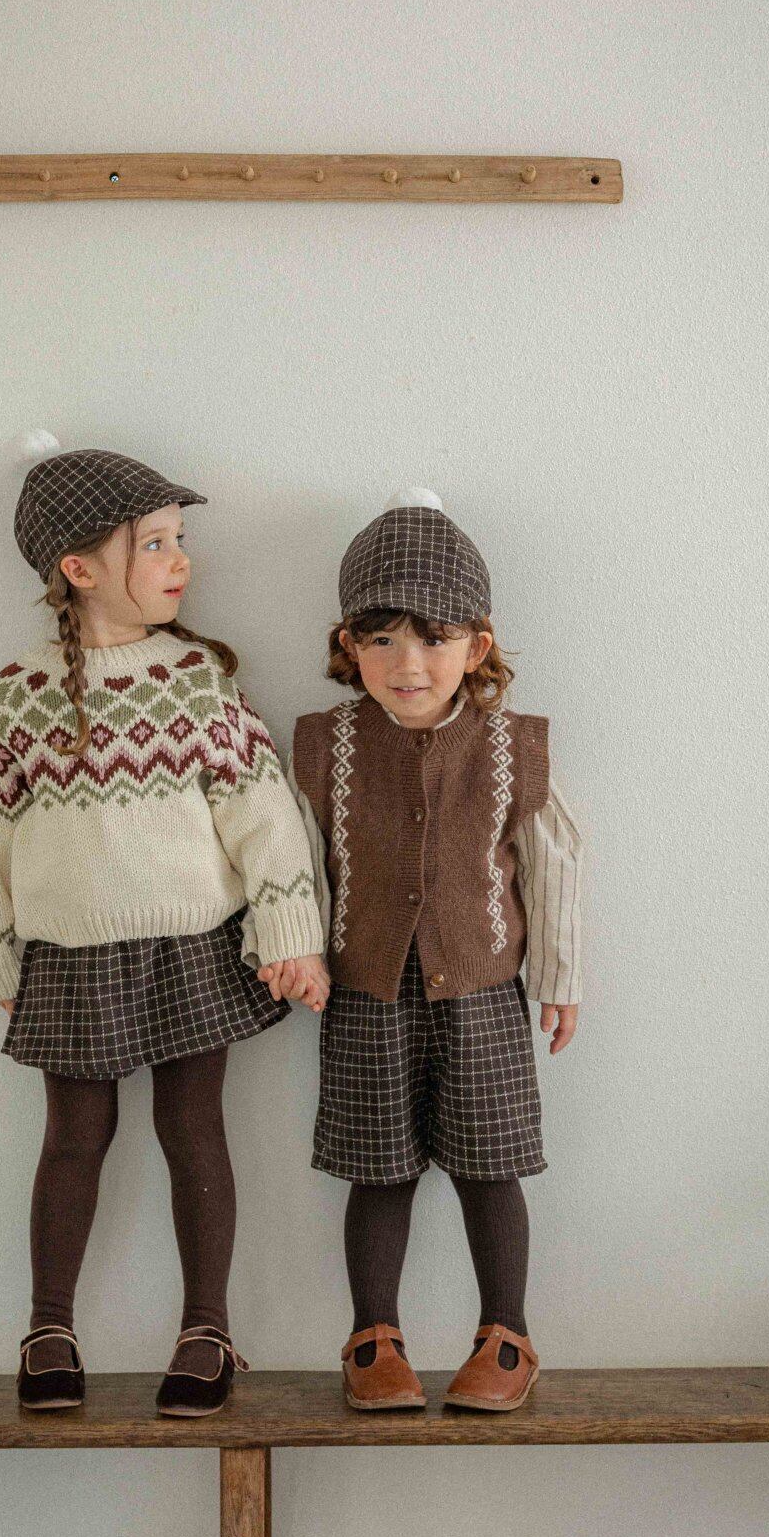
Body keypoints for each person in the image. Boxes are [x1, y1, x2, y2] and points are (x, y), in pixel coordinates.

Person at [0, 436, 325, 1416]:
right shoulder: (21, 692)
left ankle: (207, 1330)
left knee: (193, 1130)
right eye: (154, 543)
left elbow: (263, 810)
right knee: (74, 1137)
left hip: (191, 944)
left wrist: (289, 931)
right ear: (79, 568)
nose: (179, 560)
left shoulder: (195, 677)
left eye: (178, 540)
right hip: (69, 955)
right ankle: (48, 1328)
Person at [272, 487, 582, 1411]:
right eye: (381, 640)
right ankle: (374, 1338)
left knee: (491, 1164)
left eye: (434, 639)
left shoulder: (510, 747)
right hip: (364, 991)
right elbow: (294, 862)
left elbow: (553, 861)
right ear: (349, 645)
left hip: (483, 988)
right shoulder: (323, 746)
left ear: (476, 647)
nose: (408, 664)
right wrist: (296, 948)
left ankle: (508, 1335)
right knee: (380, 1168)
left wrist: (559, 978)